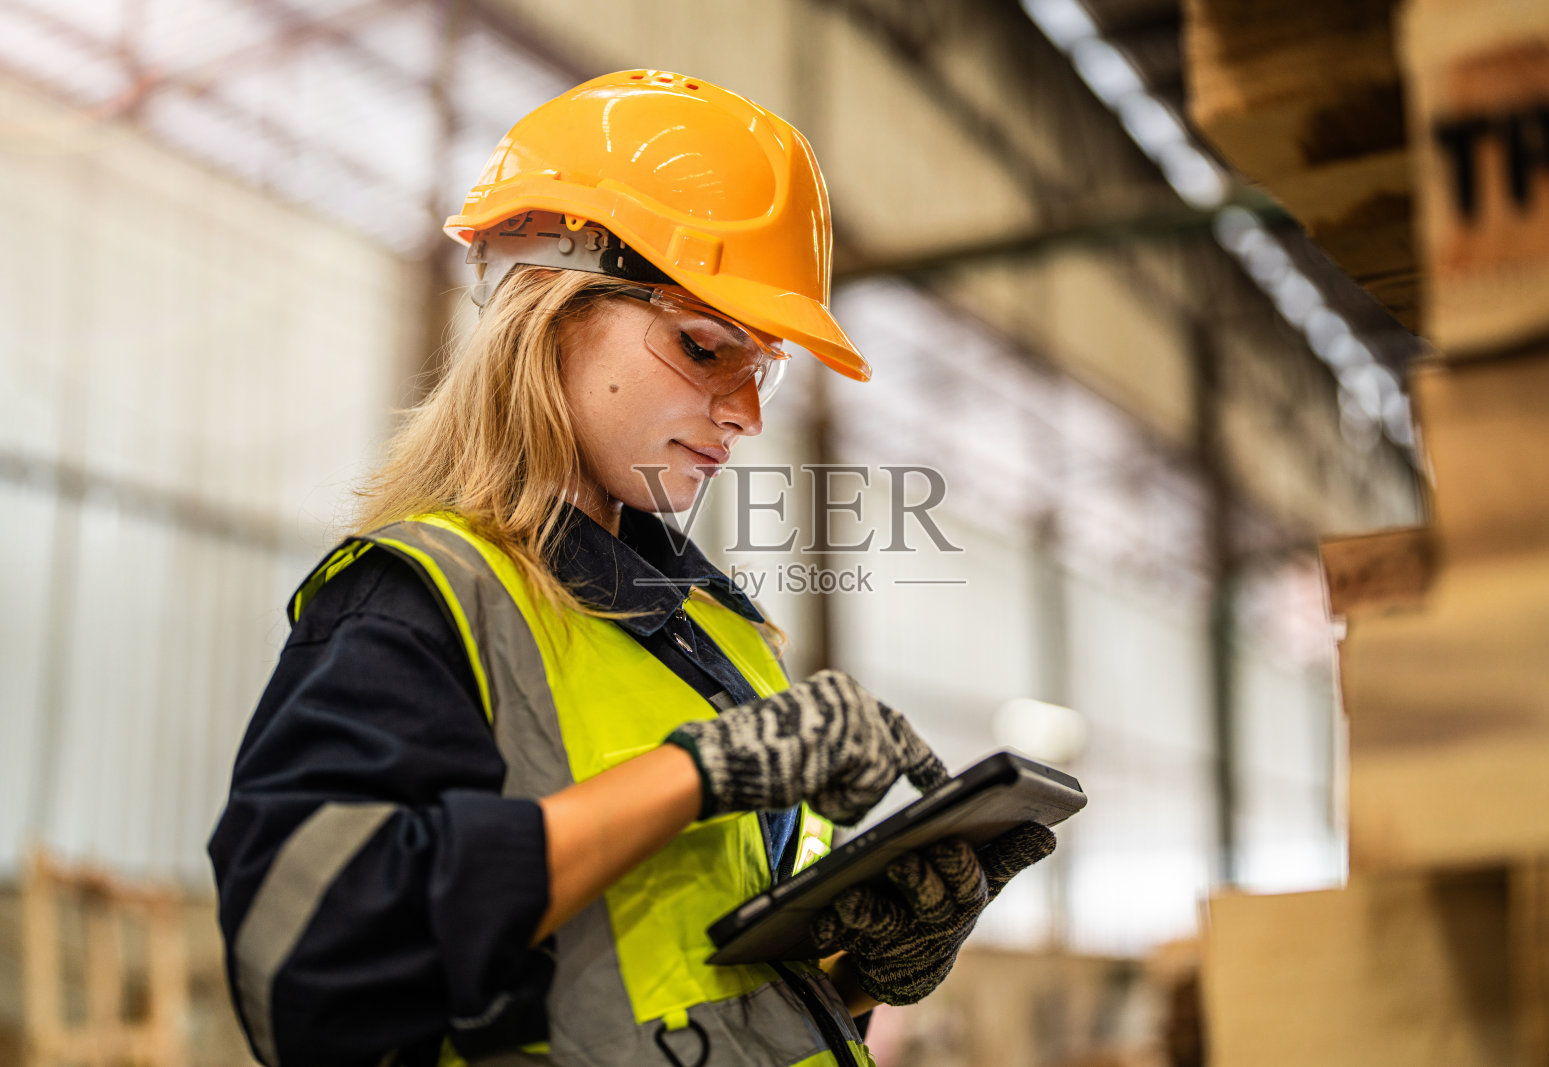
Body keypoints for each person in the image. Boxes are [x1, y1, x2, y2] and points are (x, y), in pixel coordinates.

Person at [208, 69, 1055, 1067]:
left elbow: (689, 987)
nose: (747, 412)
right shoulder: (421, 602)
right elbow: (304, 963)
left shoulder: (727, 636)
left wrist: (861, 972)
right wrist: (695, 771)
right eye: (705, 348)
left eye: (763, 367)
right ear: (553, 312)